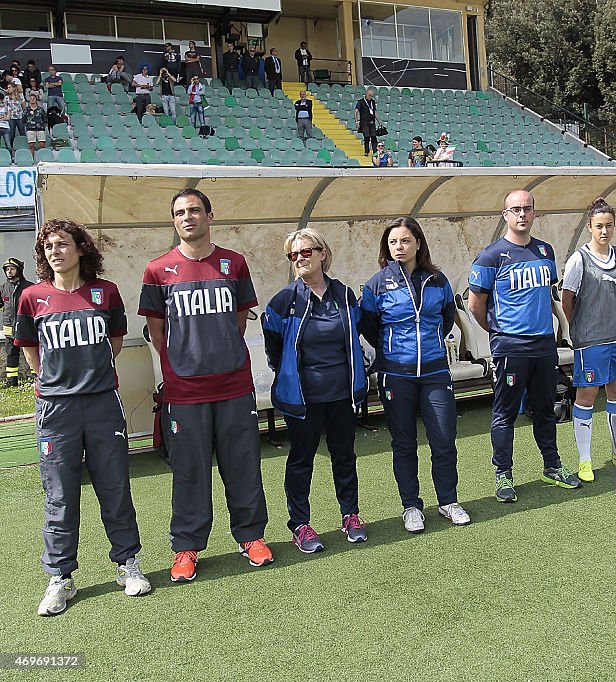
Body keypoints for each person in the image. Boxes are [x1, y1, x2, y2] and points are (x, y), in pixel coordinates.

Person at [15, 220, 151, 616]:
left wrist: (93, 375)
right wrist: (53, 381)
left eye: (62, 244)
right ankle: (60, 577)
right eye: (48, 246)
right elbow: (29, 348)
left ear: (80, 249)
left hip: (101, 404)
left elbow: (116, 340)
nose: (54, 252)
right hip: (57, 410)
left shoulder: (104, 292)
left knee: (114, 487)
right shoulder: (31, 297)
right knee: (59, 494)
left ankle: (127, 565)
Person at [138, 189, 272, 582]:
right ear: (173, 221)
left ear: (210, 216)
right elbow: (157, 329)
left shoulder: (234, 263)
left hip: (233, 386)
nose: (187, 217)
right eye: (180, 212)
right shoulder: (157, 269)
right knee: (189, 472)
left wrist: (219, 353)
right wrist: (181, 365)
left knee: (243, 466)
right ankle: (187, 547)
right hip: (184, 393)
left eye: (194, 210)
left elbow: (240, 319)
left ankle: (251, 537)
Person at [468, 189, 583, 502]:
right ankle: (503, 474)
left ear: (534, 213)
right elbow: (475, 304)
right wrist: (498, 333)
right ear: (505, 215)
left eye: (527, 209)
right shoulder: (491, 256)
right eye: (515, 209)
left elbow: (547, 295)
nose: (522, 215)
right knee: (505, 414)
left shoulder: (545, 251)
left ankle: (552, 467)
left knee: (546, 409)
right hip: (510, 348)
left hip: (543, 347)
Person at [360, 217, 471, 532]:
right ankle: (411, 507)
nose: (399, 247)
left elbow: (447, 319)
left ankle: (448, 501)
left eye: (405, 241)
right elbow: (369, 326)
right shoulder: (377, 284)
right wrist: (394, 350)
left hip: (435, 371)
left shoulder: (437, 280)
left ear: (418, 243)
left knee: (444, 439)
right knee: (404, 442)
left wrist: (430, 344)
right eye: (393, 242)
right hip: (396, 374)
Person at [262, 228, 369, 551]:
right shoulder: (284, 301)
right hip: (303, 399)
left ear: (323, 253)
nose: (300, 259)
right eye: (293, 255)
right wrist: (289, 376)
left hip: (341, 393)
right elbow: (274, 348)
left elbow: (354, 337)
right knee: (301, 460)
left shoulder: (345, 295)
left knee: (344, 456)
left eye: (306, 252)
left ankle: (350, 515)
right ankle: (300, 525)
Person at [562, 198, 616, 480]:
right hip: (591, 342)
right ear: (590, 227)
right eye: (599, 226)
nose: (604, 231)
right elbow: (567, 300)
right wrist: (581, 328)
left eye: (609, 226)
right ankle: (584, 459)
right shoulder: (579, 260)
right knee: (587, 397)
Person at [2, 257, 33, 386]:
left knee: (31, 351)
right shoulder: (3, 288)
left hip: (26, 326)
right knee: (11, 353)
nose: (9, 272)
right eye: (7, 269)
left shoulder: (29, 287)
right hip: (9, 327)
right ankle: (11, 380)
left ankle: (37, 377)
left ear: (19, 270)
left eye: (12, 269)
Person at [354, 87, 378, 156]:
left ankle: (375, 152)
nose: (371, 97)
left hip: (372, 122)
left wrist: (379, 122)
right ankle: (366, 151)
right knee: (366, 137)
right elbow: (355, 112)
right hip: (364, 123)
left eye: (372, 96)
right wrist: (356, 121)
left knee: (374, 137)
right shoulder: (360, 102)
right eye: (370, 95)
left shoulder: (372, 102)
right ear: (366, 94)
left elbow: (375, 112)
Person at [23, 93, 47, 158]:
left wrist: (41, 125)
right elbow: (24, 119)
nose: (32, 100)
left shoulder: (41, 109)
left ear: (36, 100)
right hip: (30, 129)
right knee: (31, 145)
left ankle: (43, 158)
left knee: (42, 144)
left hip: (40, 128)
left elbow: (45, 119)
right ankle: (32, 160)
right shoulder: (26, 110)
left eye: (33, 99)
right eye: (31, 99)